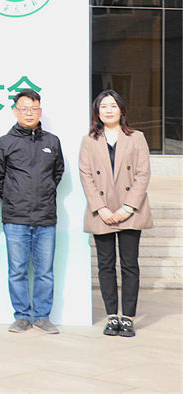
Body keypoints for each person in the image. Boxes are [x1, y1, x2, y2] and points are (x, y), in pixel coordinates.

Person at [77, 90, 153, 338]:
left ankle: (128, 317)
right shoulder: (89, 140)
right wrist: (100, 207)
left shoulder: (136, 137)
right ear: (97, 112)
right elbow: (86, 175)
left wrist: (127, 207)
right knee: (106, 265)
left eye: (113, 106)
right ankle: (112, 316)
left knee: (129, 265)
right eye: (103, 106)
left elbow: (143, 174)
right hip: (102, 212)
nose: (108, 110)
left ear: (121, 109)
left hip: (130, 210)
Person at [0, 89, 64, 334]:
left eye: (33, 109)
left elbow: (57, 173)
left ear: (40, 111)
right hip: (16, 218)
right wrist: (14, 198)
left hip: (46, 216)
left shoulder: (52, 141)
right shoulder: (4, 143)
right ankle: (22, 316)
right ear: (15, 111)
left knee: (45, 272)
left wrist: (45, 192)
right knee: (17, 271)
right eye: (24, 109)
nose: (29, 113)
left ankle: (42, 316)